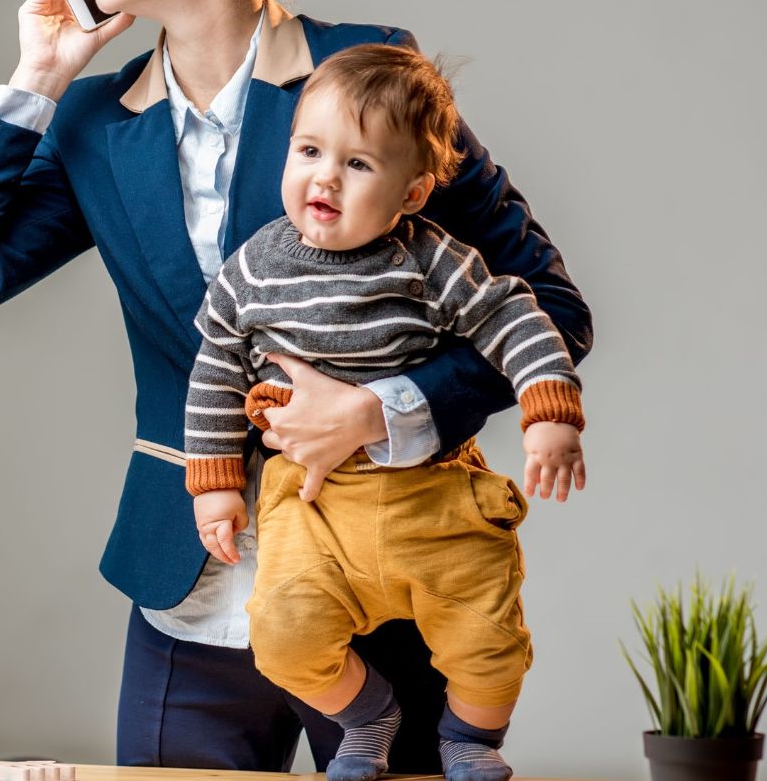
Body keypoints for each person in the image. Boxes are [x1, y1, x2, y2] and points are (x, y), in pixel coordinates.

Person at [0, 0, 592, 771]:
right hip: (193, 586)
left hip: (384, 578)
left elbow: (548, 307)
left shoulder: (367, 77)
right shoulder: (93, 123)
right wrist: (35, 75)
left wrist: (384, 409)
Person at [185, 44, 587, 781]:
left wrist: (549, 408)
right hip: (313, 505)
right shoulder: (254, 268)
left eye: (359, 164)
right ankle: (367, 715)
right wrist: (212, 482)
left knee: (491, 639)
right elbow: (214, 366)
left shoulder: (432, 260)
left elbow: (518, 316)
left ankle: (469, 740)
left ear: (412, 194)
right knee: (283, 635)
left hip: (434, 494)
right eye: (309, 150)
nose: (325, 177)